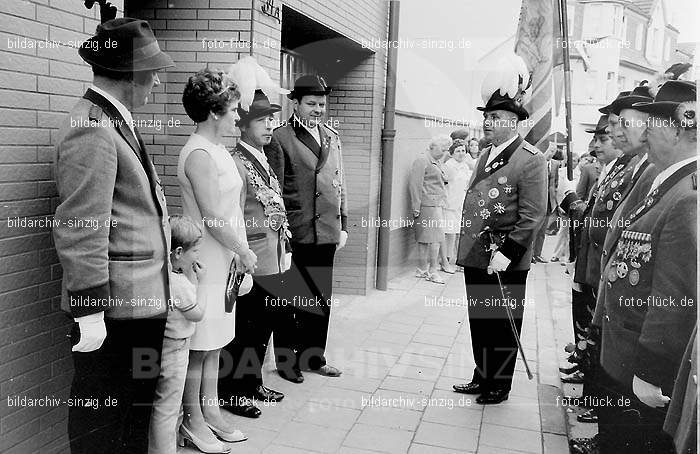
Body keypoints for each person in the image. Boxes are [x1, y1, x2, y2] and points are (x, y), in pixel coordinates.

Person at [53, 18, 173, 453]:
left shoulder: (112, 119)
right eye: (152, 72)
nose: (157, 82)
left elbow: (129, 209)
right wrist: (88, 311)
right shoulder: (92, 127)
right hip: (115, 315)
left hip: (140, 308)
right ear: (132, 75)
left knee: (134, 414)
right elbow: (81, 225)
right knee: (101, 422)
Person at [593, 80, 697, 454]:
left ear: (678, 128)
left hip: (643, 363)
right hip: (625, 348)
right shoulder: (668, 183)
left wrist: (651, 370)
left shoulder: (688, 195)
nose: (644, 132)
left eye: (653, 122)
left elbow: (677, 293)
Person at [452, 57, 547, 405]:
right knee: (480, 318)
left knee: (502, 323)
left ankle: (499, 384)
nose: (487, 123)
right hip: (479, 252)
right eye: (486, 117)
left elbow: (533, 215)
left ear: (514, 122)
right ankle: (482, 374)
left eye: (494, 118)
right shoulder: (486, 154)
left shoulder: (530, 159)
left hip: (504, 258)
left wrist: (508, 255)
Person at [178, 68, 254, 453]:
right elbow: (210, 216)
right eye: (234, 110)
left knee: (216, 341)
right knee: (199, 343)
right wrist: (242, 249)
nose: (239, 117)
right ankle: (192, 420)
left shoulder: (219, 151)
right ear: (214, 113)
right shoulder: (198, 154)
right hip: (206, 258)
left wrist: (238, 253)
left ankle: (211, 410)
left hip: (224, 257)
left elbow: (233, 210)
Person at [265, 74, 348, 382]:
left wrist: (344, 222)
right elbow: (273, 190)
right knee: (290, 300)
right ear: (295, 103)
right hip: (296, 231)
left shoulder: (331, 136)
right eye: (311, 103)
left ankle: (314, 357)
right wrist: (282, 231)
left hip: (326, 230)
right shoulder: (280, 138)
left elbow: (340, 183)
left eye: (322, 104)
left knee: (320, 297)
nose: (317, 109)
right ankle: (287, 362)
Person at [219, 90, 288, 418]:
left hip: (273, 255)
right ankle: (232, 391)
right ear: (243, 125)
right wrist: (242, 259)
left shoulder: (263, 157)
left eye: (271, 119)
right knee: (246, 329)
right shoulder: (237, 162)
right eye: (261, 120)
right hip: (253, 258)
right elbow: (234, 214)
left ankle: (252, 381)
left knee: (263, 327)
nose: (269, 126)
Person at [149, 215, 204, 454]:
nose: (197, 257)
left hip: (162, 345)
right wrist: (200, 281)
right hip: (176, 348)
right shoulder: (179, 283)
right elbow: (197, 313)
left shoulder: (160, 273)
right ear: (179, 252)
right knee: (168, 407)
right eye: (195, 252)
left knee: (161, 405)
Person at [408, 135, 451, 283]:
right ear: (432, 146)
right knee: (435, 239)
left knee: (426, 239)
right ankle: (432, 271)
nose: (444, 151)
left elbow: (442, 180)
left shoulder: (436, 161)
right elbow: (415, 185)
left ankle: (422, 269)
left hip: (434, 204)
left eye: (446, 149)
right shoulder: (422, 160)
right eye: (442, 148)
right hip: (427, 205)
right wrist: (416, 207)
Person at [443, 139, 472, 270]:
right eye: (458, 151)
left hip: (461, 205)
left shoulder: (465, 166)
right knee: (449, 233)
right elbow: (444, 185)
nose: (461, 153)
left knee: (460, 233)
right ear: (452, 153)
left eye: (463, 151)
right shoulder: (448, 166)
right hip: (449, 205)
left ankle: (459, 260)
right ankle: (445, 260)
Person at [531, 143, 561, 263]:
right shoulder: (537, 162)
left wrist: (556, 200)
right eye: (550, 150)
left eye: (554, 151)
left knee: (543, 230)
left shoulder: (555, 164)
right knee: (533, 229)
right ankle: (530, 255)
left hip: (549, 200)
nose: (551, 153)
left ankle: (538, 254)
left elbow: (556, 183)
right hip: (537, 199)